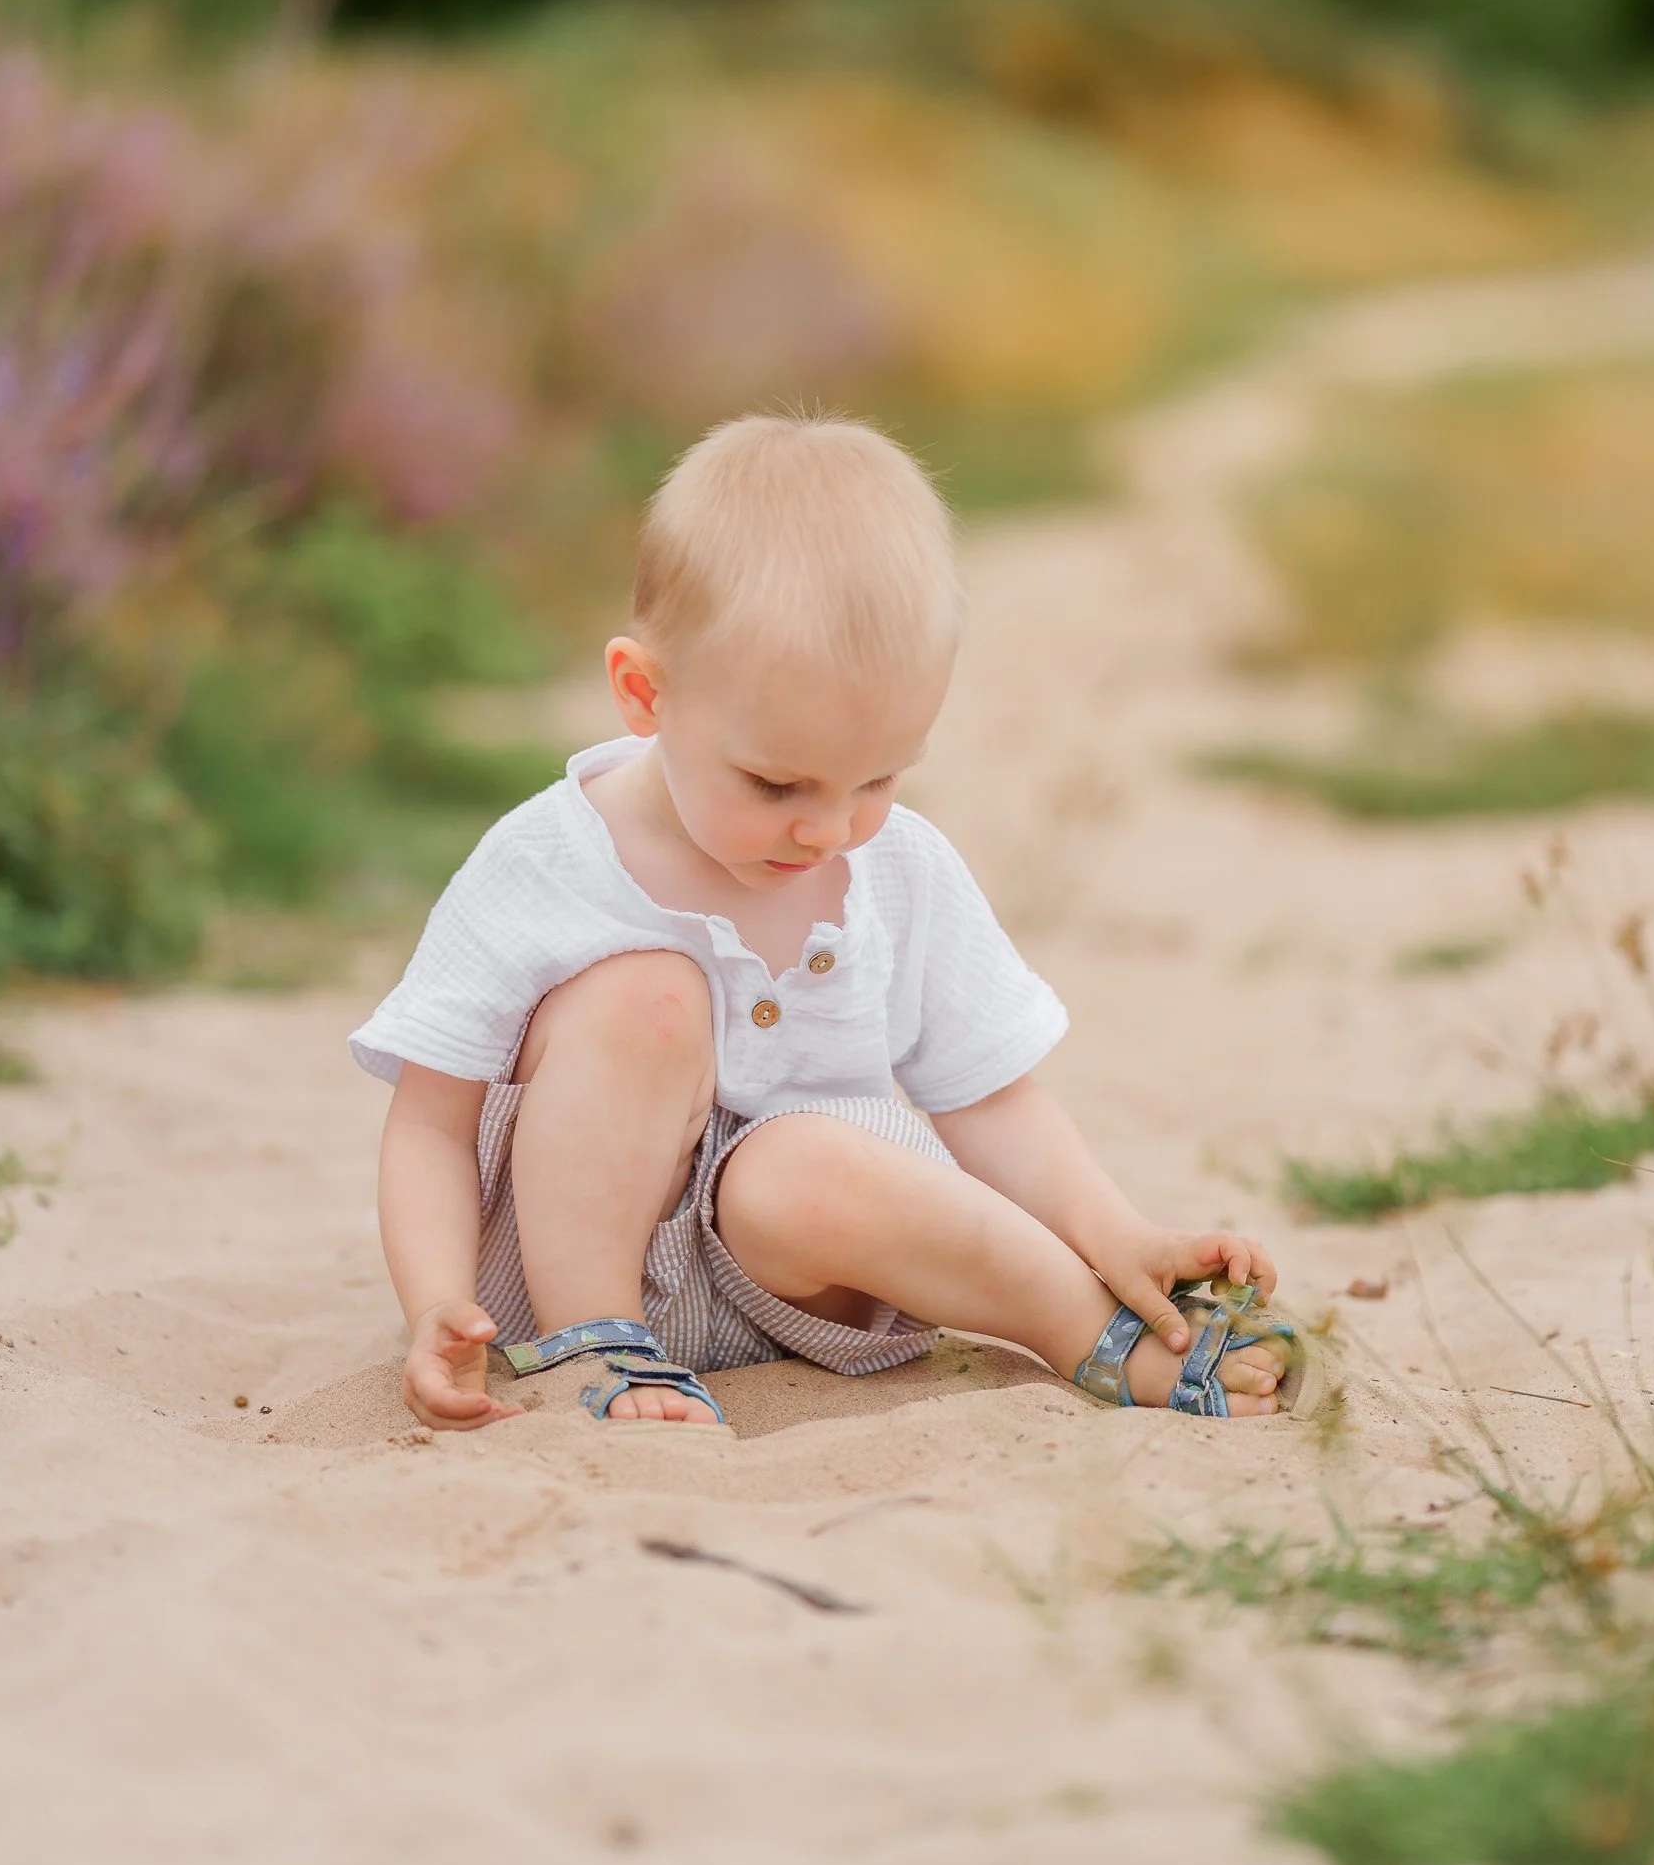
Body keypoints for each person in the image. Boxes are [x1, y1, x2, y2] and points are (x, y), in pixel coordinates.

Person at [351, 413, 1290, 1432]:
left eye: (878, 778)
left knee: (797, 1169)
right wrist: (434, 1300)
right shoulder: (548, 861)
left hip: (805, 1288)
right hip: (564, 1278)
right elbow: (432, 1123)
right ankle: (600, 1344)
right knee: (643, 998)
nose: (829, 829)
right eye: (776, 783)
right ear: (643, 693)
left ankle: (1091, 1328)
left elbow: (989, 1099)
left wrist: (1114, 1231)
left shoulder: (897, 869)